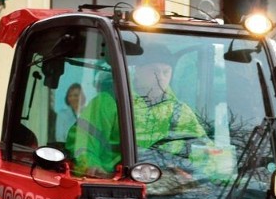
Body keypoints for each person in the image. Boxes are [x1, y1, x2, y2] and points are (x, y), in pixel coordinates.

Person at [67, 45, 208, 180]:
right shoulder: (109, 102)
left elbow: (202, 150)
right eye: (154, 71)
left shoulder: (180, 111)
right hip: (113, 183)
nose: (161, 78)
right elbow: (83, 140)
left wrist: (218, 172)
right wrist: (91, 165)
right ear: (139, 70)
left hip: (166, 185)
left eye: (166, 72)